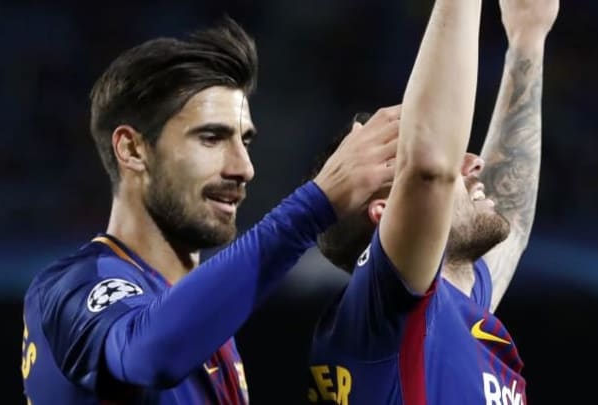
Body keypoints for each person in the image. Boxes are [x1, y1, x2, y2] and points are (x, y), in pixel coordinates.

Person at [20, 17, 401, 404]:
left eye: (245, 141)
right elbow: (150, 354)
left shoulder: (205, 324)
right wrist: (315, 205)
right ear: (132, 149)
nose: (244, 168)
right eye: (212, 137)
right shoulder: (73, 285)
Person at [306, 0, 559, 403]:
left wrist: (527, 38)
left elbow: (511, 217)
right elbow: (429, 167)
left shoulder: (449, 309)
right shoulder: (385, 312)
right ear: (385, 214)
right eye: (452, 158)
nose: (474, 164)